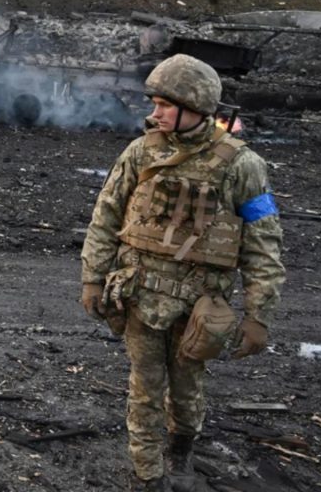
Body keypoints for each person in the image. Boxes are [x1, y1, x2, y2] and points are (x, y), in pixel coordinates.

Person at [80, 54, 285, 492]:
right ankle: (147, 475)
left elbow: (263, 243)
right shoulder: (141, 152)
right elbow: (106, 215)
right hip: (139, 294)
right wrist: (93, 277)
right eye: (154, 103)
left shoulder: (243, 165)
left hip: (200, 304)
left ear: (196, 107)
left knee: (188, 389)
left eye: (164, 105)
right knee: (144, 389)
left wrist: (257, 315)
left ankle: (181, 452)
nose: (154, 114)